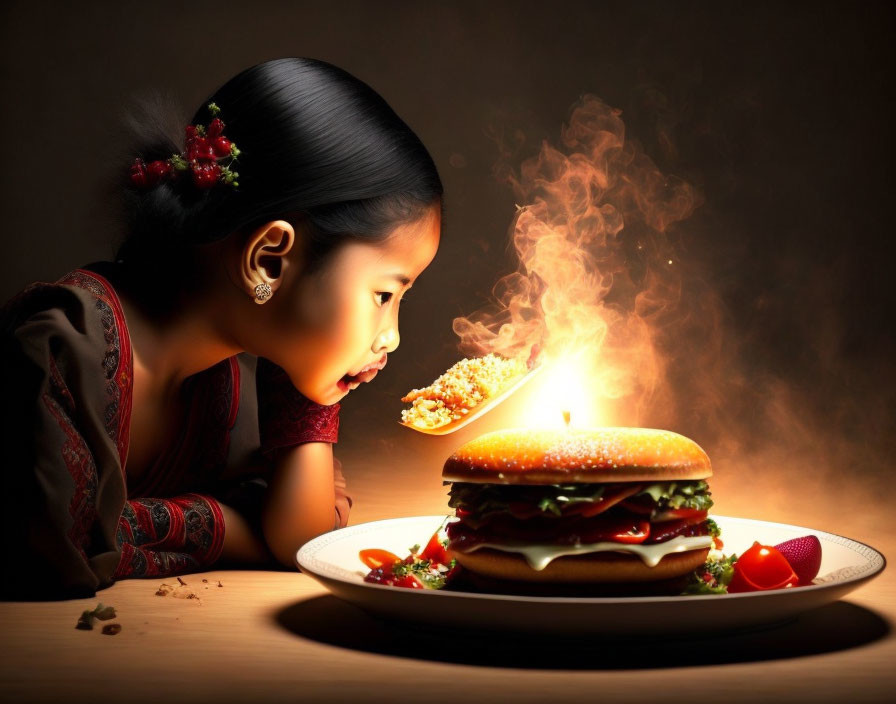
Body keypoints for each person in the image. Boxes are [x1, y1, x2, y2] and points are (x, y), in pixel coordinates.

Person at [0, 57, 442, 599]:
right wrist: (233, 530)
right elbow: (54, 553)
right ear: (269, 261)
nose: (391, 335)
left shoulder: (230, 380)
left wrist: (309, 383)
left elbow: (304, 538)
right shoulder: (62, 350)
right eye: (384, 295)